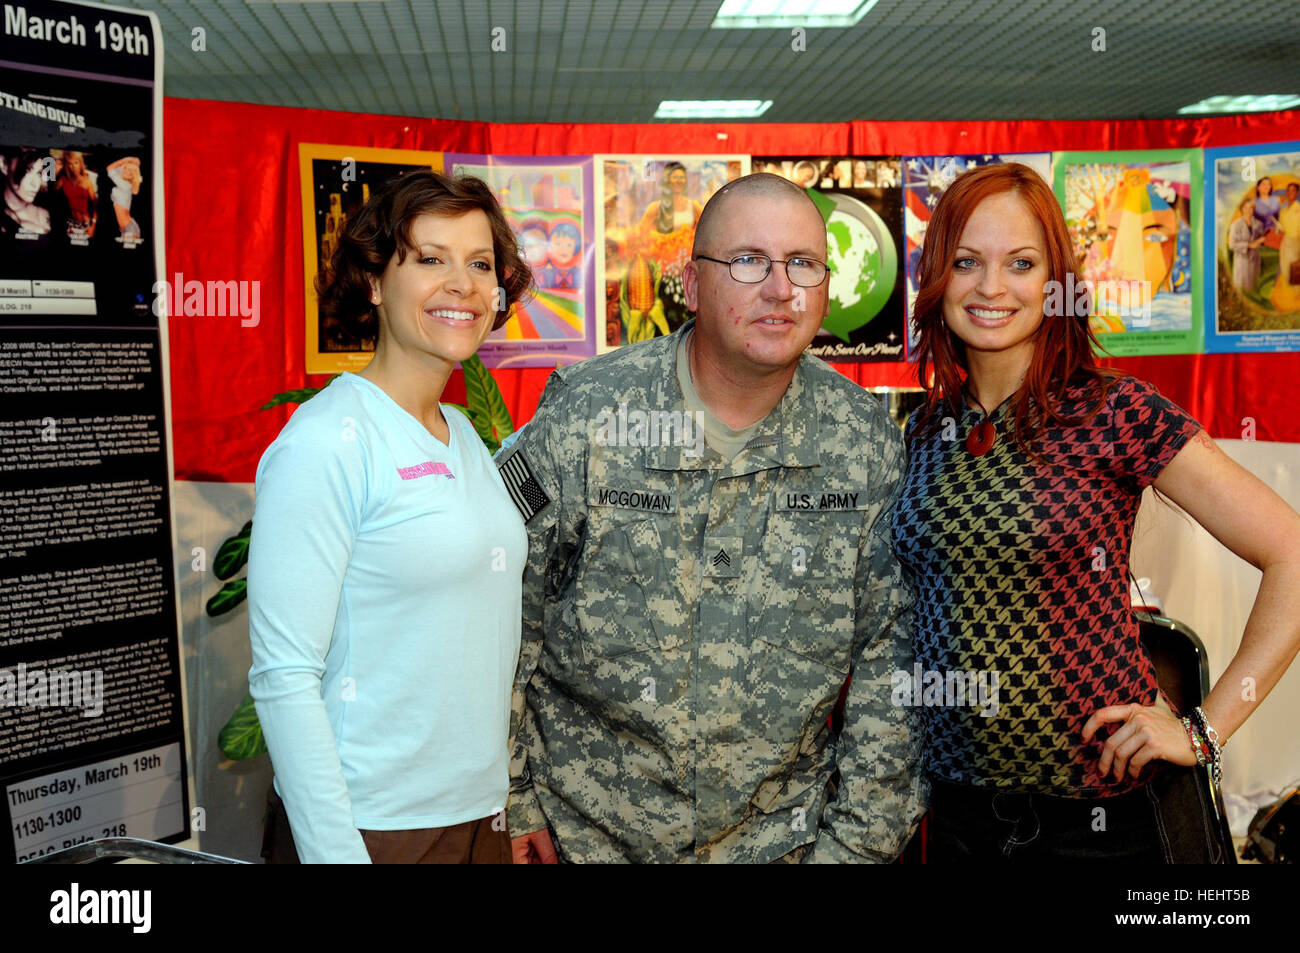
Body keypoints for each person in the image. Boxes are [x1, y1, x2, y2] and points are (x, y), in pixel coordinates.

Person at [498, 172, 927, 863]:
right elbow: (502, 612)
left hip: (781, 844)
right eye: (748, 261)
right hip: (586, 838)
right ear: (692, 285)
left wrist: (855, 847)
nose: (781, 289)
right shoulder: (591, 413)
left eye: (804, 264)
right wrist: (512, 801)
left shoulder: (864, 443)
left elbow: (892, 663)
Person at [892, 162, 1300, 862]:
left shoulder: (1114, 411)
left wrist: (1204, 730)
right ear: (936, 279)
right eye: (966, 262)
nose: (992, 287)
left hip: (1103, 822)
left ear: (1056, 283)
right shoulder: (925, 431)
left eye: (1021, 263)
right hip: (957, 816)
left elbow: (1291, 550)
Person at [248, 171, 532, 863]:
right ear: (374, 281)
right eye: (431, 258)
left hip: (478, 815)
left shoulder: (463, 434)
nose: (462, 283)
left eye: (480, 263)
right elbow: (284, 673)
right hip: (373, 827)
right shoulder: (326, 441)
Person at [1271, 181, 1300, 312]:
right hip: (1285, 244)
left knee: (1296, 270)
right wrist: (1278, 231)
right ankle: (1291, 298)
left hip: (1296, 242)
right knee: (1286, 269)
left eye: (1293, 190)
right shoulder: (1282, 211)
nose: (1290, 193)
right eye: (1288, 190)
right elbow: (1280, 229)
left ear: (1297, 193)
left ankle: (1297, 296)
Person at [1228, 197, 1265, 294]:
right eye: (1246, 208)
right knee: (1241, 289)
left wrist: (1265, 240)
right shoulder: (1236, 224)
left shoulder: (1259, 224)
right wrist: (1249, 245)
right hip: (1242, 260)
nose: (1249, 210)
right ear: (1242, 209)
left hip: (1255, 260)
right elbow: (1232, 244)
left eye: (1251, 208)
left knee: (1254, 289)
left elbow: (1261, 243)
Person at [57, 150, 96, 240]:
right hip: (70, 223)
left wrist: (93, 226)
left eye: (76, 163)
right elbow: (50, 188)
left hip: (85, 224)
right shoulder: (63, 180)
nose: (73, 167)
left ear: (80, 163)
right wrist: (59, 168)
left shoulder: (87, 182)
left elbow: (95, 206)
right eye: (70, 164)